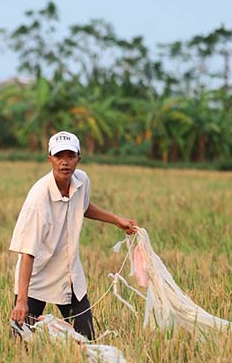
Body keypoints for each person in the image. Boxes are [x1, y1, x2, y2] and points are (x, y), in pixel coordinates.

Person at [10, 130, 138, 340]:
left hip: (69, 273)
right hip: (37, 277)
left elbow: (83, 207)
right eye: (59, 156)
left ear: (79, 158)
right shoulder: (38, 199)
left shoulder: (81, 181)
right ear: (50, 159)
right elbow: (28, 252)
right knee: (20, 341)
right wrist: (21, 300)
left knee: (86, 340)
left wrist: (117, 220)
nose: (65, 162)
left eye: (70, 156)